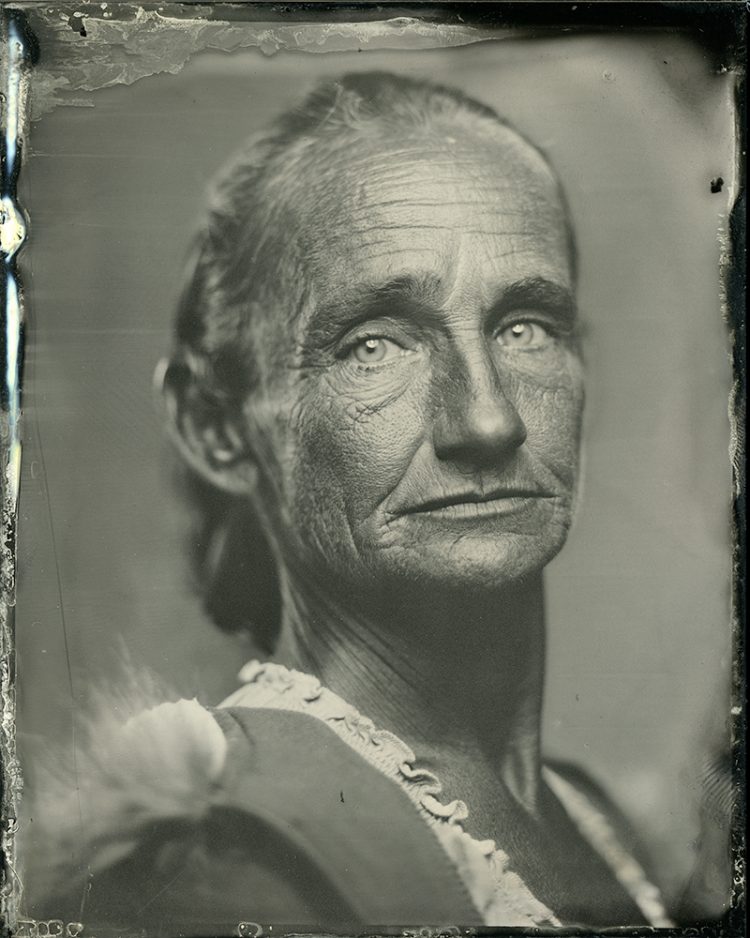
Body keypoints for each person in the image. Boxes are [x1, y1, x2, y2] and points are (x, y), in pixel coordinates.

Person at [23, 72, 674, 933]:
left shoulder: (598, 823)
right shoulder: (229, 859)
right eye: (374, 345)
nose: (488, 418)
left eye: (526, 327)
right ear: (216, 424)